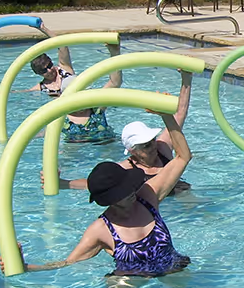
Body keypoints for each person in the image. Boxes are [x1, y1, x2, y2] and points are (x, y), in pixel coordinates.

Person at [3, 111, 217, 288]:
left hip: (170, 263)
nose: (132, 193)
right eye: (125, 192)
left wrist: (166, 116)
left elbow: (183, 157)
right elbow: (68, 262)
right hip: (130, 275)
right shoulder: (101, 229)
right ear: (110, 199)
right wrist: (25, 267)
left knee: (180, 283)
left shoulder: (148, 196)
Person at [56, 70, 193, 195]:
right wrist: (62, 183)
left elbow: (180, 114)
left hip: (184, 197)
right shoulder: (125, 169)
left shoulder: (162, 149)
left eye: (152, 141)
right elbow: (91, 184)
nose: (152, 147)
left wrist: (186, 79)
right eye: (145, 145)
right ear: (132, 151)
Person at [29, 34, 122, 144]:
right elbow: (43, 133)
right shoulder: (60, 118)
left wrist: (114, 52)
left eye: (84, 94)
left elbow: (115, 82)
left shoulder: (96, 107)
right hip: (76, 154)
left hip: (106, 144)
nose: (49, 71)